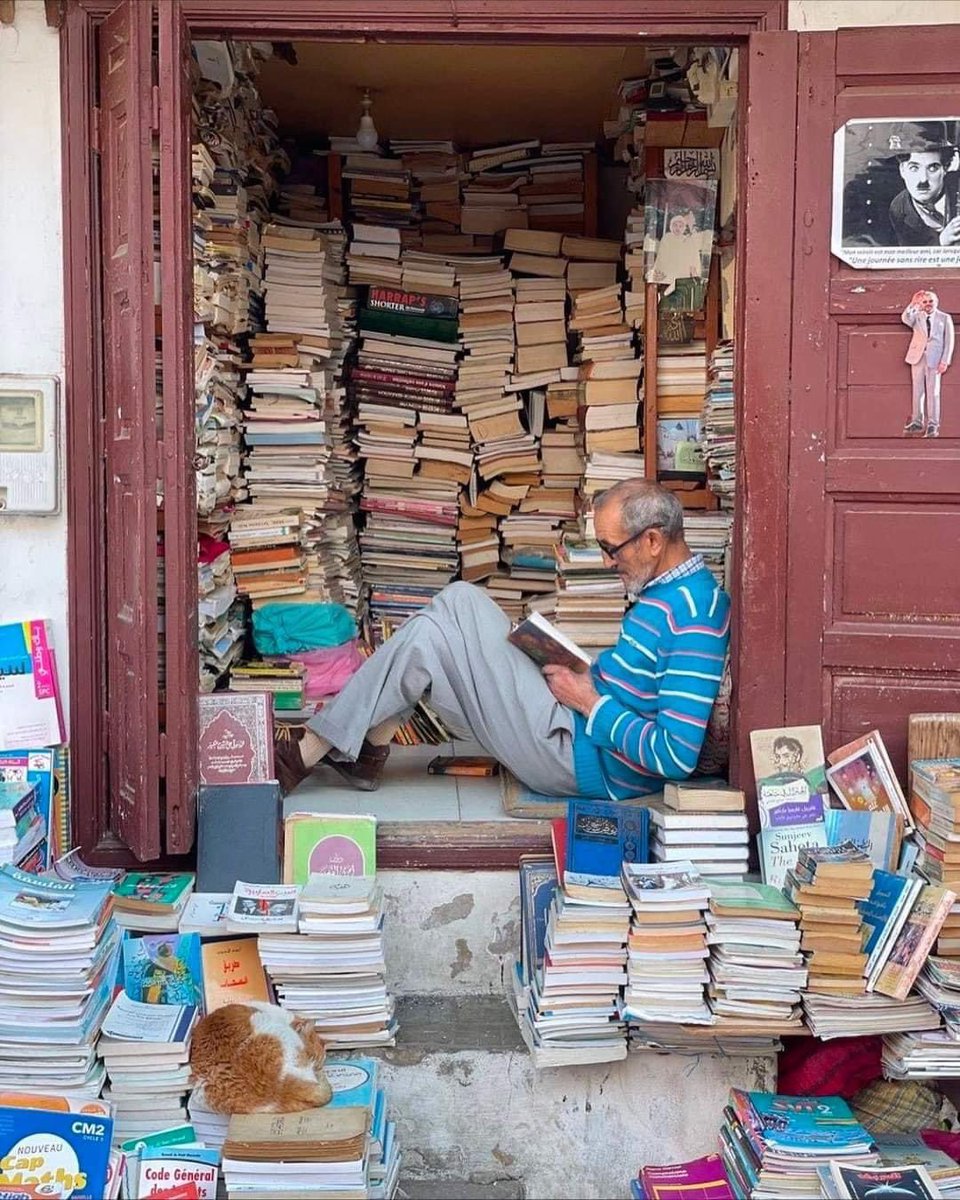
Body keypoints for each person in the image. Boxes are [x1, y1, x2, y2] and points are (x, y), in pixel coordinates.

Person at [274, 479, 731, 802]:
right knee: (438, 629)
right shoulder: (667, 593)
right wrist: (581, 671)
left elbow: (674, 755)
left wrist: (589, 702)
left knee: (456, 605)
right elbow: (637, 686)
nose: (608, 563)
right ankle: (358, 750)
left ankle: (320, 748)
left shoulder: (694, 616)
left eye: (611, 549)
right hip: (575, 725)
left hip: (578, 758)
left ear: (652, 541)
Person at [887, 122, 960, 247]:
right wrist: (941, 242)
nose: (923, 180)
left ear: (946, 168)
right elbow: (911, 252)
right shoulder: (899, 209)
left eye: (932, 168)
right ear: (902, 170)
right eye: (914, 168)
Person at [902, 289, 954, 438]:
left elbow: (949, 341)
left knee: (933, 392)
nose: (928, 304)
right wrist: (913, 303)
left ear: (936, 302)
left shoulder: (944, 318)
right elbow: (905, 319)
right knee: (917, 390)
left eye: (930, 301)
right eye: (925, 301)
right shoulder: (917, 316)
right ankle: (917, 421)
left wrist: (945, 360)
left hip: (935, 359)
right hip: (917, 357)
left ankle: (933, 424)